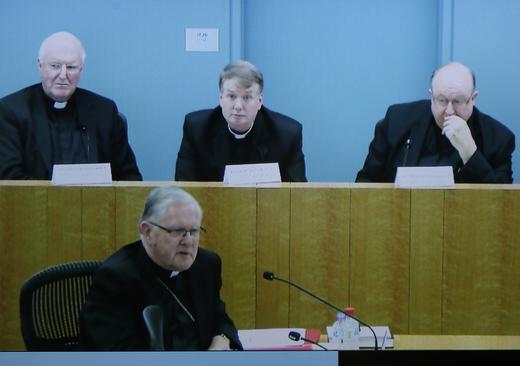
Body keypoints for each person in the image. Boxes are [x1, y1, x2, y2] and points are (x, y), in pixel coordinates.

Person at [79, 186, 242, 350]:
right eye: (177, 231)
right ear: (148, 232)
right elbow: (115, 353)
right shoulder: (115, 278)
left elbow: (219, 317)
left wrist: (223, 338)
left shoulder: (206, 265)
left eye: (194, 231)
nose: (188, 241)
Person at [0, 31, 141, 181]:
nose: (63, 75)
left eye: (71, 67)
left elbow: (130, 178)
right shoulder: (11, 111)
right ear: (40, 66)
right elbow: (10, 179)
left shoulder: (104, 111)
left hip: (97, 203)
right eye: (55, 66)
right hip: (35, 203)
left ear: (81, 70)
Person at [356, 62, 515, 183]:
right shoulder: (397, 121)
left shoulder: (499, 139)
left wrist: (470, 152)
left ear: (473, 99)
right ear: (431, 96)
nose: (450, 111)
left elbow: (502, 203)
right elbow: (365, 182)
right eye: (442, 100)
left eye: (458, 101)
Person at [175, 60, 306, 181]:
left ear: (260, 101)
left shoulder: (287, 134)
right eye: (231, 96)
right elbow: (184, 188)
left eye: (247, 97)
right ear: (221, 98)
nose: (238, 106)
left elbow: (297, 196)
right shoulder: (197, 129)